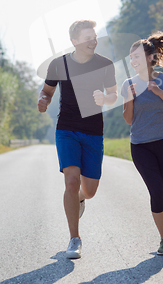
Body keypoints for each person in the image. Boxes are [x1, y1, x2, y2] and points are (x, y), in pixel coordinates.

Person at [38, 20, 117, 259]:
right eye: (87, 38)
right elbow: (47, 91)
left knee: (89, 190)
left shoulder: (105, 64)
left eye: (94, 37)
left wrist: (105, 98)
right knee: (71, 181)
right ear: (74, 41)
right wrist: (43, 100)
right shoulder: (58, 64)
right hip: (67, 129)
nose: (93, 41)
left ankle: (80, 199)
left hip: (93, 132)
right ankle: (74, 239)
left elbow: (114, 95)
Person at [121, 28, 163, 256]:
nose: (133, 61)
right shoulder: (128, 85)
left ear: (150, 58)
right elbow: (129, 119)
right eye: (131, 58)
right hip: (141, 146)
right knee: (155, 190)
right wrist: (130, 99)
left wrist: (159, 92)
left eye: (137, 56)